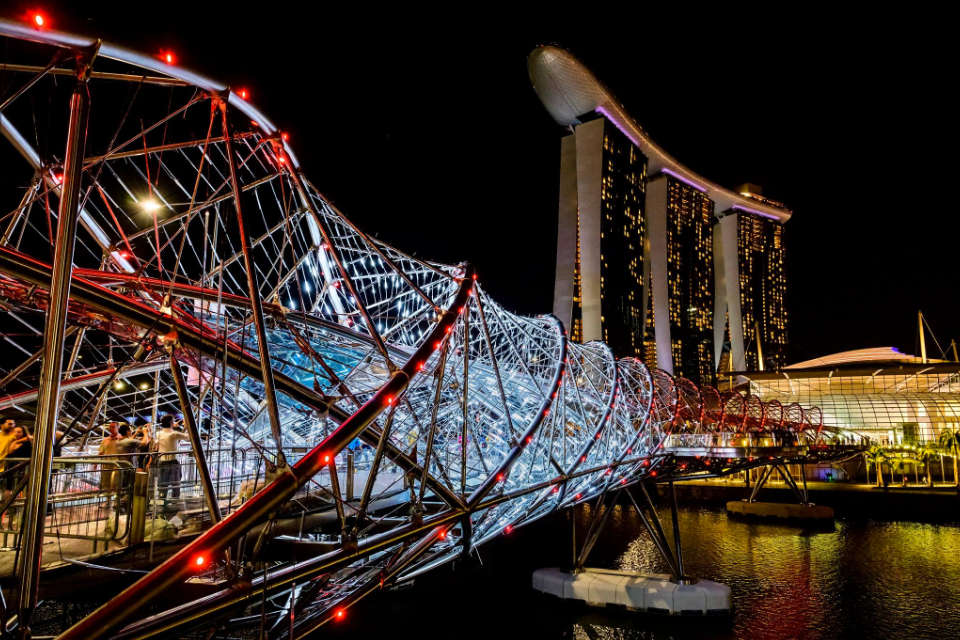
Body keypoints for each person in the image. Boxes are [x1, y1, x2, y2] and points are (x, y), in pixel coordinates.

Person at [155, 414, 189, 505]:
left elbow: (155, 445)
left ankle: (162, 502)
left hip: (162, 461)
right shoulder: (174, 434)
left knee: (162, 484)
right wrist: (185, 426)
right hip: (173, 462)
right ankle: (175, 502)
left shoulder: (158, 434)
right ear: (171, 422)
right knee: (176, 484)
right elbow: (188, 438)